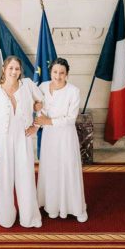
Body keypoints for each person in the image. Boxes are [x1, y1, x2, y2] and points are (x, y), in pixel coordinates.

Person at [0, 56, 44, 228]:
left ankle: (28, 217)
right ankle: (6, 217)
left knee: (26, 179)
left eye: (17, 69)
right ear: (4, 69)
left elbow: (42, 103)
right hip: (1, 142)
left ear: (20, 71)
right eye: (11, 68)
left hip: (23, 140)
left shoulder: (28, 86)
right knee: (3, 180)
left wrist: (36, 126)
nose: (14, 72)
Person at [34, 58, 88, 222]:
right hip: (49, 137)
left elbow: (71, 119)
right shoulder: (42, 87)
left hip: (65, 137)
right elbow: (38, 109)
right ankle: (52, 206)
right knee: (51, 169)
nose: (58, 76)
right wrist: (37, 111)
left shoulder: (73, 91)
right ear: (50, 72)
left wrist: (48, 122)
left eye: (61, 73)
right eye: (55, 72)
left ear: (67, 74)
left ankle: (75, 208)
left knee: (67, 169)